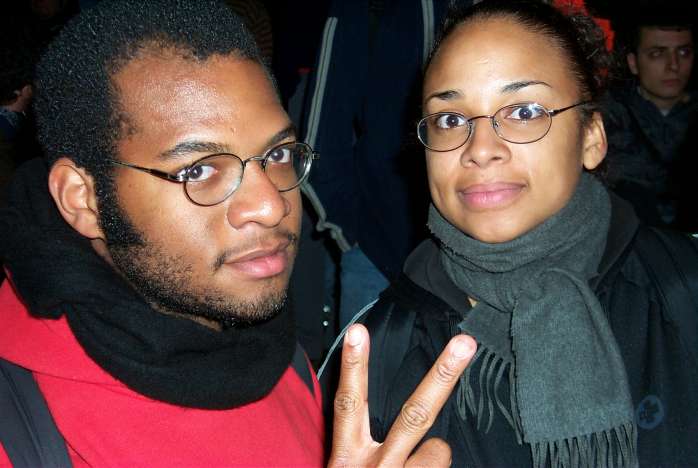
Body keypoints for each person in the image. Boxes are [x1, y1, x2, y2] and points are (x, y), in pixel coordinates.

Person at [0, 0, 476, 466]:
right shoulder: (23, 423)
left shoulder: (271, 347)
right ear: (83, 200)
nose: (271, 205)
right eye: (200, 170)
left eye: (277, 155)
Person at [319, 1, 698, 467]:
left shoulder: (682, 289)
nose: (480, 149)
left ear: (591, 138)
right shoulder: (375, 349)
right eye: (450, 120)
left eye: (524, 111)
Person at [302, 0, 462, 328]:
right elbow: (318, 144)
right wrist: (350, 237)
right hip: (378, 259)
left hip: (479, 263)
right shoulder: (367, 8)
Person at [602, 7, 696, 229]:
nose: (673, 66)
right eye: (657, 53)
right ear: (633, 63)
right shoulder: (609, 115)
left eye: (683, 52)